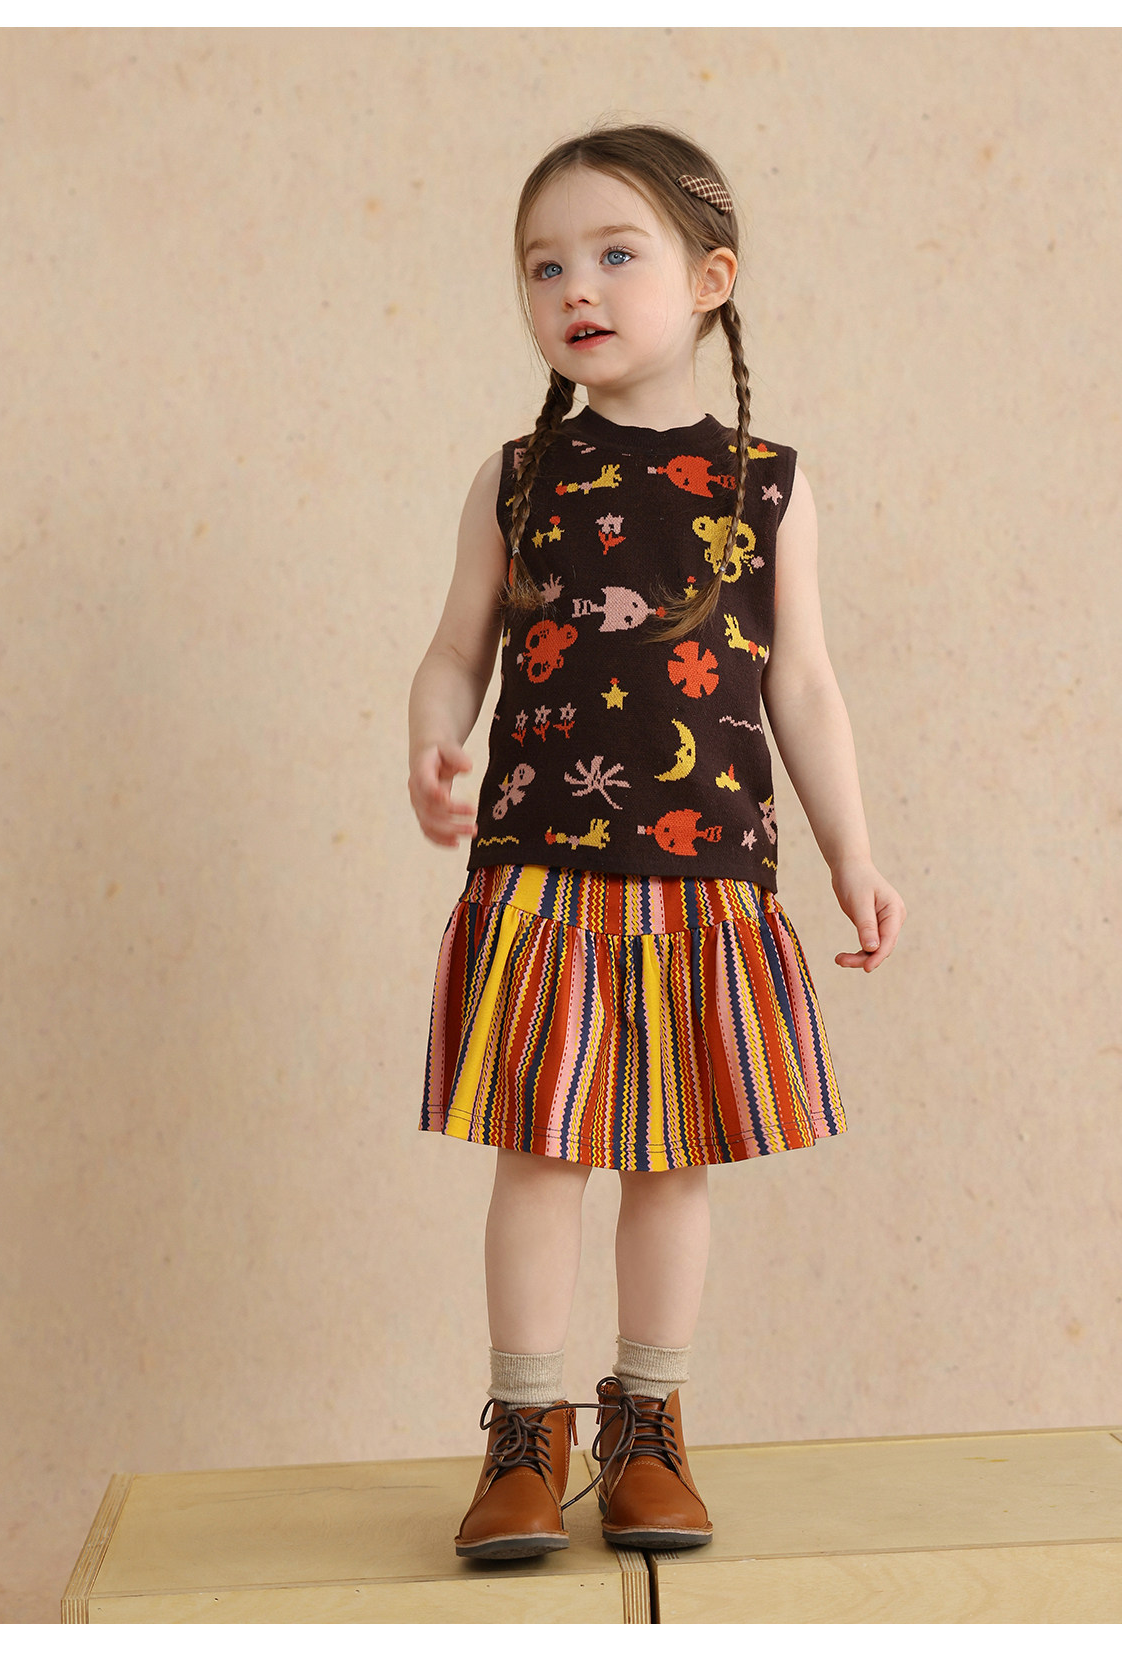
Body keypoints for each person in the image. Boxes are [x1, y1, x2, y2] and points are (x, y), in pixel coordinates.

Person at [407, 121, 905, 1562]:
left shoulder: (765, 485)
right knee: (538, 1153)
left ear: (710, 279)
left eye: (616, 254)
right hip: (543, 877)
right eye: (544, 265)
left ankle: (649, 1426)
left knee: (672, 1160)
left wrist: (852, 855)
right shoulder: (516, 479)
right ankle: (524, 1433)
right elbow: (454, 654)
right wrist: (432, 745)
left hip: (702, 880)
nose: (577, 286)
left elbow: (804, 686)